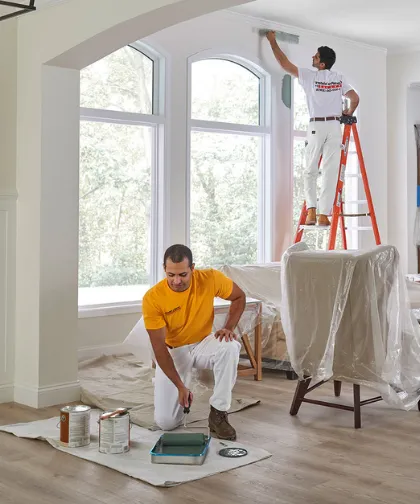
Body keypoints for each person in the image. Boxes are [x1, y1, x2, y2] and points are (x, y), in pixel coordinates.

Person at [142, 244, 246, 440]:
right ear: (164, 269)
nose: (176, 280)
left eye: (182, 274)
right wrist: (180, 386)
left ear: (192, 268)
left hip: (203, 343)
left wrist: (229, 328)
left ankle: (218, 413)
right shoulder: (153, 298)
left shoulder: (210, 278)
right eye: (171, 275)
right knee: (166, 423)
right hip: (174, 352)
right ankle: (181, 393)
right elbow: (159, 349)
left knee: (230, 346)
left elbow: (239, 297)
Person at [266, 31, 360, 226]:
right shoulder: (339, 78)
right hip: (335, 126)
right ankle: (324, 216)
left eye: (315, 56)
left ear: (322, 64)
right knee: (330, 171)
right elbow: (355, 98)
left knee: (310, 170)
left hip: (316, 125)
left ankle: (311, 211)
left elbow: (284, 63)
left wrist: (272, 41)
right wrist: (348, 113)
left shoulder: (309, 76)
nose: (312, 58)